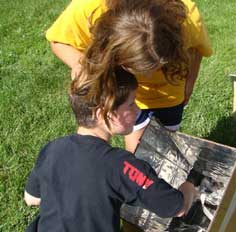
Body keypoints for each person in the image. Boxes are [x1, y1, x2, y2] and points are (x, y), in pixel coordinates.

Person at [24, 67, 196, 232]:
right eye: (131, 104)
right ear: (103, 114)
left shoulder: (53, 148)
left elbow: (32, 198)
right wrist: (189, 186)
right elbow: (175, 207)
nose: (138, 111)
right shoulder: (120, 165)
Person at [45, 0, 213, 153]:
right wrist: (83, 67)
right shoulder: (90, 7)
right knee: (140, 154)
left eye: (156, 66)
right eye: (135, 68)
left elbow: (196, 51)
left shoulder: (186, 17)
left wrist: (188, 85)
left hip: (169, 91)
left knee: (164, 148)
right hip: (127, 94)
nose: (147, 75)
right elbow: (58, 41)